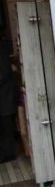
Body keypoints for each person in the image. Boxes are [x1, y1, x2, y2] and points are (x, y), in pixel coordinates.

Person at [0, 34, 18, 163]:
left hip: (4, 95)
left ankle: (8, 154)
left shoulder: (2, 48)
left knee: (6, 126)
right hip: (5, 94)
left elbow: (4, 73)